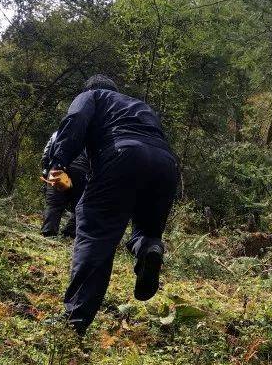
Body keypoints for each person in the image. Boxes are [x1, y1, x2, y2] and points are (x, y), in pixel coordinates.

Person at [45, 75, 178, 336]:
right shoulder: (141, 106)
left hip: (122, 155)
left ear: (90, 88)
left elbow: (75, 122)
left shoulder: (91, 96)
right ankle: (150, 248)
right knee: (147, 232)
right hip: (166, 164)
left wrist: (58, 161)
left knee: (96, 235)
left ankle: (73, 323)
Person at [40, 131, 89, 238]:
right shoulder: (89, 135)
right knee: (79, 205)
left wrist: (46, 170)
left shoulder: (58, 133)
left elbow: (46, 153)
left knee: (54, 203)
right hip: (81, 171)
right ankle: (69, 233)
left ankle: (49, 232)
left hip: (58, 167)